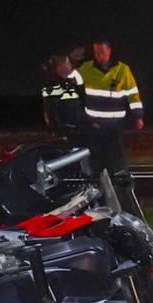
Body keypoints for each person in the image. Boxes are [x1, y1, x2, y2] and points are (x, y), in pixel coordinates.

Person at [76, 38, 144, 215]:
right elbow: (68, 79)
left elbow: (133, 94)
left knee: (118, 168)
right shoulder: (86, 69)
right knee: (94, 169)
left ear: (109, 51)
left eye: (102, 52)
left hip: (114, 128)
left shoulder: (122, 70)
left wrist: (138, 116)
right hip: (93, 128)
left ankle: (126, 206)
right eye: (96, 52)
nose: (98, 55)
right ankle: (97, 206)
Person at [41, 52, 84, 139]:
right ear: (58, 67)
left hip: (78, 129)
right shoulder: (51, 84)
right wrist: (59, 132)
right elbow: (51, 111)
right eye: (66, 64)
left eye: (68, 63)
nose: (69, 66)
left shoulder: (77, 78)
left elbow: (83, 101)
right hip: (61, 132)